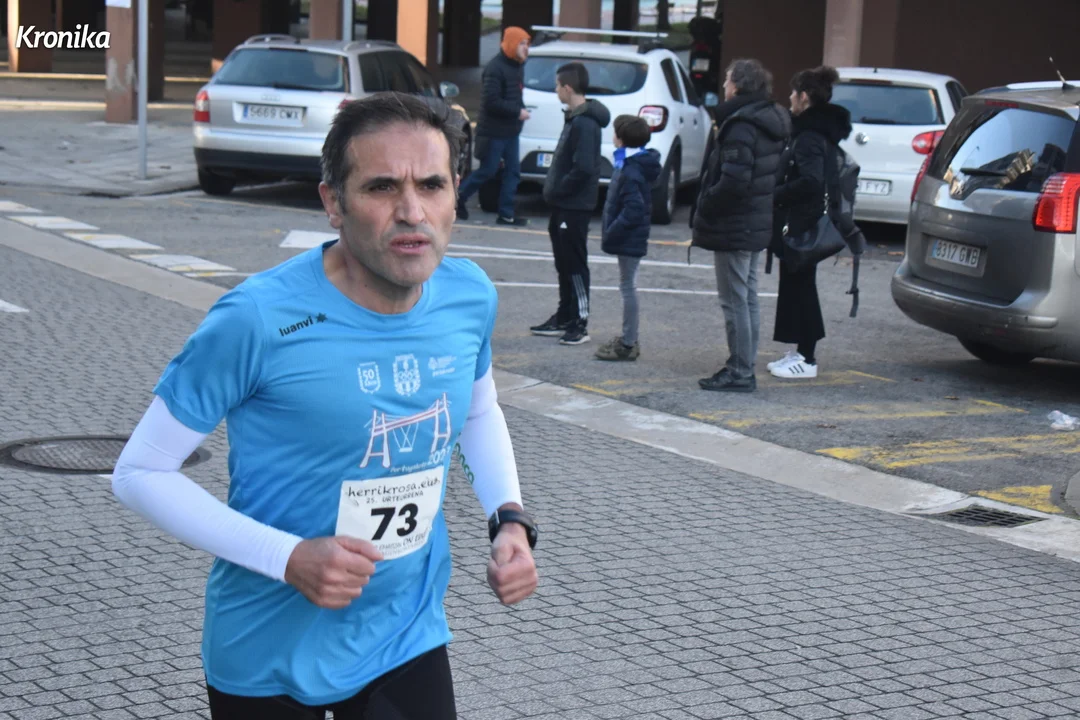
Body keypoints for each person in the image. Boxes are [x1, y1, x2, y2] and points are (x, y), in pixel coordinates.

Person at [112, 92, 539, 720]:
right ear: (333, 203)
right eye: (381, 187)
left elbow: (477, 411)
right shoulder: (257, 318)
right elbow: (139, 472)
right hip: (269, 657)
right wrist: (288, 559)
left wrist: (509, 518)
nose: (412, 211)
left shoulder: (469, 295)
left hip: (406, 635)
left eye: (432, 185)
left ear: (455, 193)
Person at [690, 59, 790, 392]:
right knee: (747, 298)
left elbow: (733, 181)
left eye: (727, 80)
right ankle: (743, 365)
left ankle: (740, 370)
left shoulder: (741, 124)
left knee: (735, 301)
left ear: (738, 85)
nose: (724, 86)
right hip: (754, 220)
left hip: (734, 224)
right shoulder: (767, 118)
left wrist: (706, 203)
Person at [769, 66, 851, 380]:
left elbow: (811, 181)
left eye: (793, 92)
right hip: (805, 221)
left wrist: (775, 194)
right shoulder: (816, 132)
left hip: (803, 223)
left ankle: (807, 358)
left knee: (802, 288)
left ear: (804, 97)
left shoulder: (809, 137)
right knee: (796, 285)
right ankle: (800, 352)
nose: (789, 97)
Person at [531, 62, 611, 346]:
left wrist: (560, 189)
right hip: (563, 204)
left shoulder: (585, 123)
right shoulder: (575, 118)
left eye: (557, 85)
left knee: (575, 263)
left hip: (574, 206)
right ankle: (564, 315)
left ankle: (580, 322)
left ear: (567, 88)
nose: (556, 90)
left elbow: (584, 168)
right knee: (563, 261)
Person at [595, 115, 661, 362]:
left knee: (627, 286)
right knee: (627, 285)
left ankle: (628, 341)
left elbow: (634, 208)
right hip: (630, 236)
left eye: (615, 132)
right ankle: (628, 338)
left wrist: (613, 230)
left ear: (621, 139)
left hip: (629, 237)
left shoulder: (631, 169)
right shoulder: (630, 162)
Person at [455, 26, 531, 226]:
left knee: (513, 172)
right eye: (522, 44)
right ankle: (458, 198)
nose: (526, 48)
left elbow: (515, 96)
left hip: (510, 131)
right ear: (512, 44)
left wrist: (520, 110)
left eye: (527, 44)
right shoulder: (495, 68)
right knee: (488, 170)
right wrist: (517, 112)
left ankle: (506, 214)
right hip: (493, 132)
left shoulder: (517, 66)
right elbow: (492, 102)